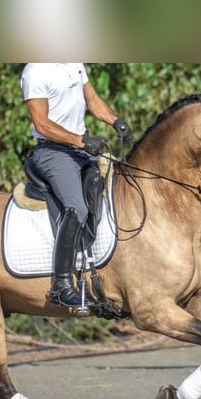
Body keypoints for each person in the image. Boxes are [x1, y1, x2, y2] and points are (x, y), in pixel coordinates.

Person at [20, 63, 133, 309]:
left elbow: (91, 98)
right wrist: (79, 141)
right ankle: (61, 286)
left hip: (79, 149)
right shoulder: (35, 71)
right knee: (77, 208)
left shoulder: (74, 62)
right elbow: (42, 124)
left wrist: (116, 122)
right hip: (53, 151)